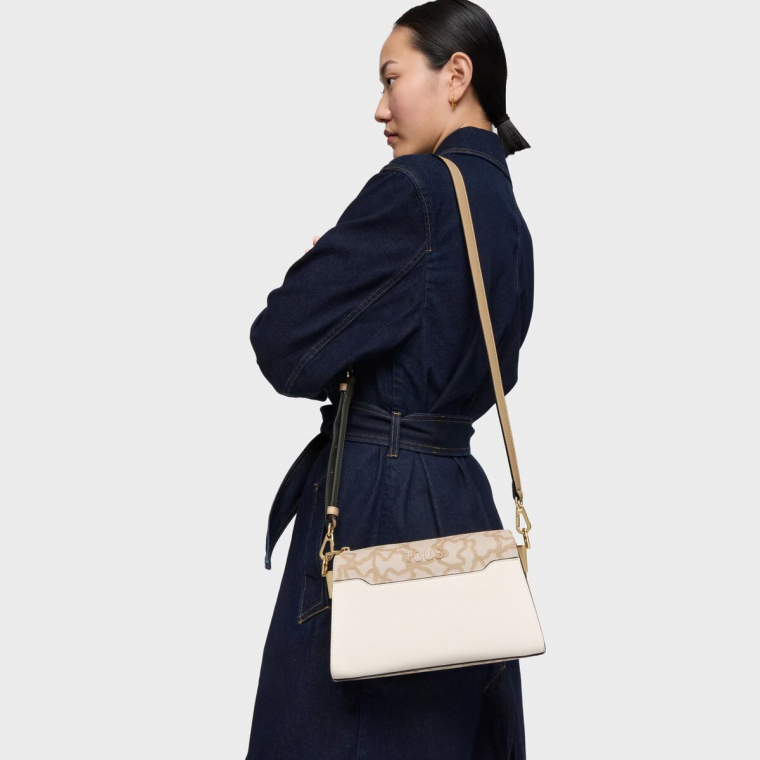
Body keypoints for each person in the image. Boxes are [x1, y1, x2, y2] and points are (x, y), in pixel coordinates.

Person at [245, 1, 534, 757]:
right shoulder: (508, 216)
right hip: (462, 505)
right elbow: (492, 367)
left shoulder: (415, 191)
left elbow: (281, 343)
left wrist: (325, 271)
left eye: (391, 78)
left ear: (456, 75)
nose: (380, 108)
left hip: (378, 504)